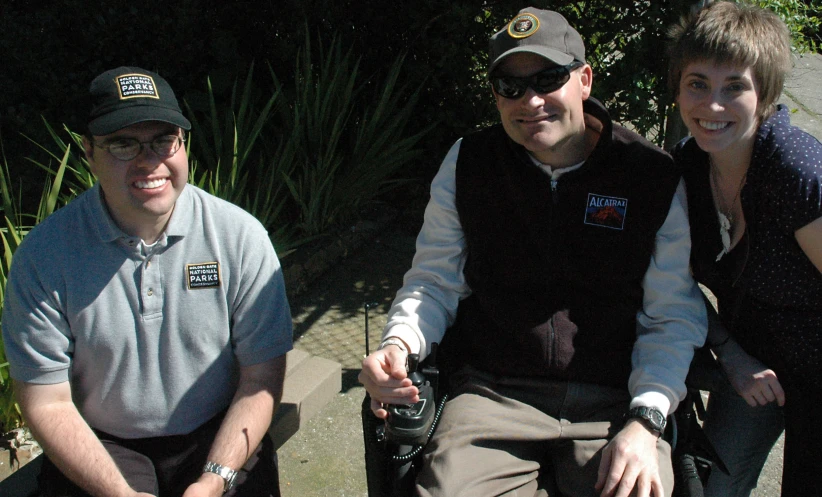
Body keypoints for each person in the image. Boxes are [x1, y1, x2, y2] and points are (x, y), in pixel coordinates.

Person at [359, 8, 707, 497]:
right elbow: (434, 281)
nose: (531, 100)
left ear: (584, 80)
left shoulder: (649, 175)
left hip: (612, 399)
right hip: (494, 393)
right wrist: (398, 346)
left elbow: (671, 314)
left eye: (548, 78)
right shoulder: (469, 163)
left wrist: (646, 420)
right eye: (511, 86)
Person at [1, 66, 293, 497]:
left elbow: (260, 379)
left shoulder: (239, 237)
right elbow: (47, 402)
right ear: (89, 151)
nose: (149, 160)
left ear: (183, 145)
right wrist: (118, 493)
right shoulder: (45, 257)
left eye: (163, 140)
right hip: (103, 440)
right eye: (123, 144)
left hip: (218, 430)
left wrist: (214, 480)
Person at [668, 1, 822, 496]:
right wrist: (730, 354)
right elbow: (671, 281)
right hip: (756, 364)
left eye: (734, 87)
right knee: (710, 488)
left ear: (767, 93)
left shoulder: (796, 171)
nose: (712, 106)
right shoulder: (684, 172)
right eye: (698, 84)